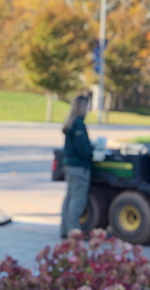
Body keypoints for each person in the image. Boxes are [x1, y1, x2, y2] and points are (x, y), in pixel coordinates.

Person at [60, 95, 93, 239]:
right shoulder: (78, 124)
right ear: (83, 107)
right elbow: (82, 148)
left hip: (70, 166)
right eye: (88, 105)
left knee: (70, 198)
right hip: (79, 167)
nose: (90, 108)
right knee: (77, 200)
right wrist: (92, 153)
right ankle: (73, 231)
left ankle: (65, 229)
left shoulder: (71, 122)